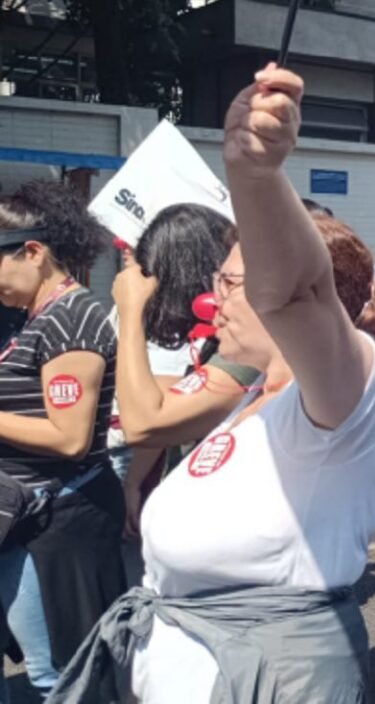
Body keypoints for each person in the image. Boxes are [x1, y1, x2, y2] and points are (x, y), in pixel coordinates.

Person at [50, 65, 375, 702]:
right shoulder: (250, 389)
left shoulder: (347, 389)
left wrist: (255, 174)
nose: (211, 299)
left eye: (228, 283)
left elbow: (295, 288)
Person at [0, 180, 125, 701]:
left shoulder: (70, 320)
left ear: (33, 251)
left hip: (53, 523)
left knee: (55, 671)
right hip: (27, 516)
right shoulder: (32, 318)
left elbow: (69, 436)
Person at [109, 204, 260, 539]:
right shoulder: (215, 345)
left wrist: (131, 310)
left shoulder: (246, 351)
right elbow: (172, 394)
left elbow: (145, 423)